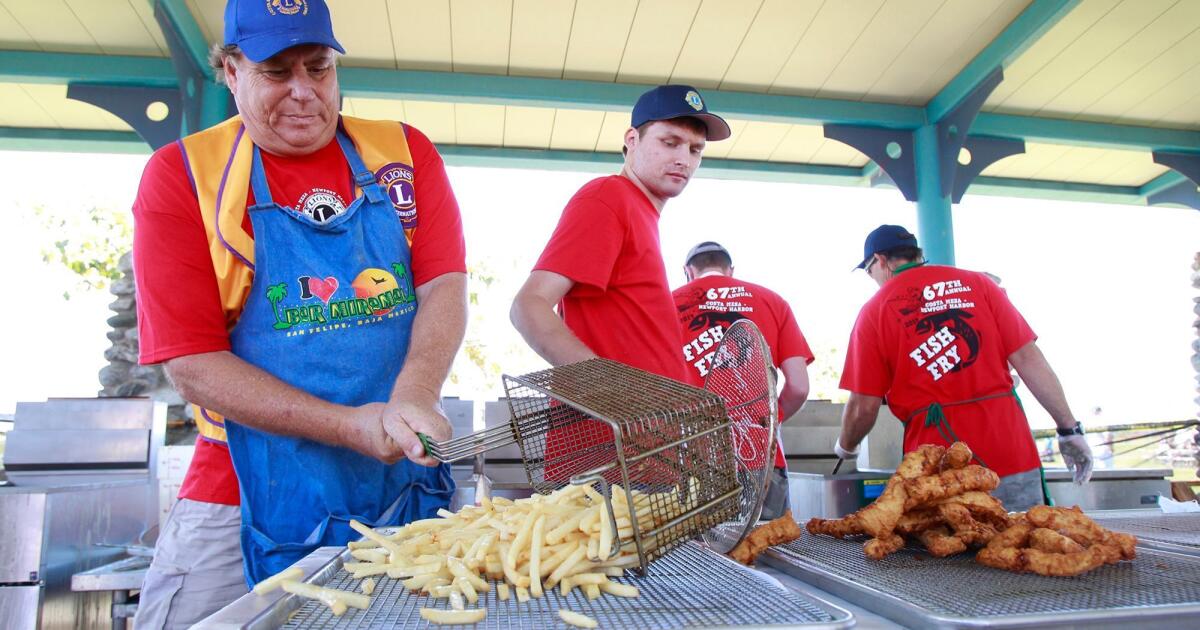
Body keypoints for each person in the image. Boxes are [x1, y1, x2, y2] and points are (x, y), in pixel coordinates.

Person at [131, 1, 466, 626]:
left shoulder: (403, 152)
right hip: (243, 487)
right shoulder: (183, 175)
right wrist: (347, 425)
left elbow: (443, 285)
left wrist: (417, 391)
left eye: (318, 67)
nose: (304, 92)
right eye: (276, 72)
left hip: (397, 484)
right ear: (231, 72)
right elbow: (195, 366)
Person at [835, 225, 1093, 512]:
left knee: (948, 550)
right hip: (1009, 452)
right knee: (1028, 546)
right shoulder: (980, 285)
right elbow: (1029, 360)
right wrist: (1069, 429)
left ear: (880, 261)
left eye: (870, 272)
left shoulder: (875, 310)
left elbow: (863, 407)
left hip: (938, 465)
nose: (874, 281)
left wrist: (846, 446)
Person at [510, 84, 730, 378]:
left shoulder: (641, 213)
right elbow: (528, 306)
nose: (684, 159)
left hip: (655, 423)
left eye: (695, 149)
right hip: (608, 425)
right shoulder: (608, 197)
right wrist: (609, 392)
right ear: (632, 139)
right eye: (670, 142)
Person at [672, 241, 813, 519]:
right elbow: (798, 386)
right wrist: (770, 419)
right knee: (768, 550)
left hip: (694, 463)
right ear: (731, 270)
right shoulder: (772, 301)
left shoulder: (667, 304)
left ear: (688, 271)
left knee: (699, 557)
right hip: (762, 455)